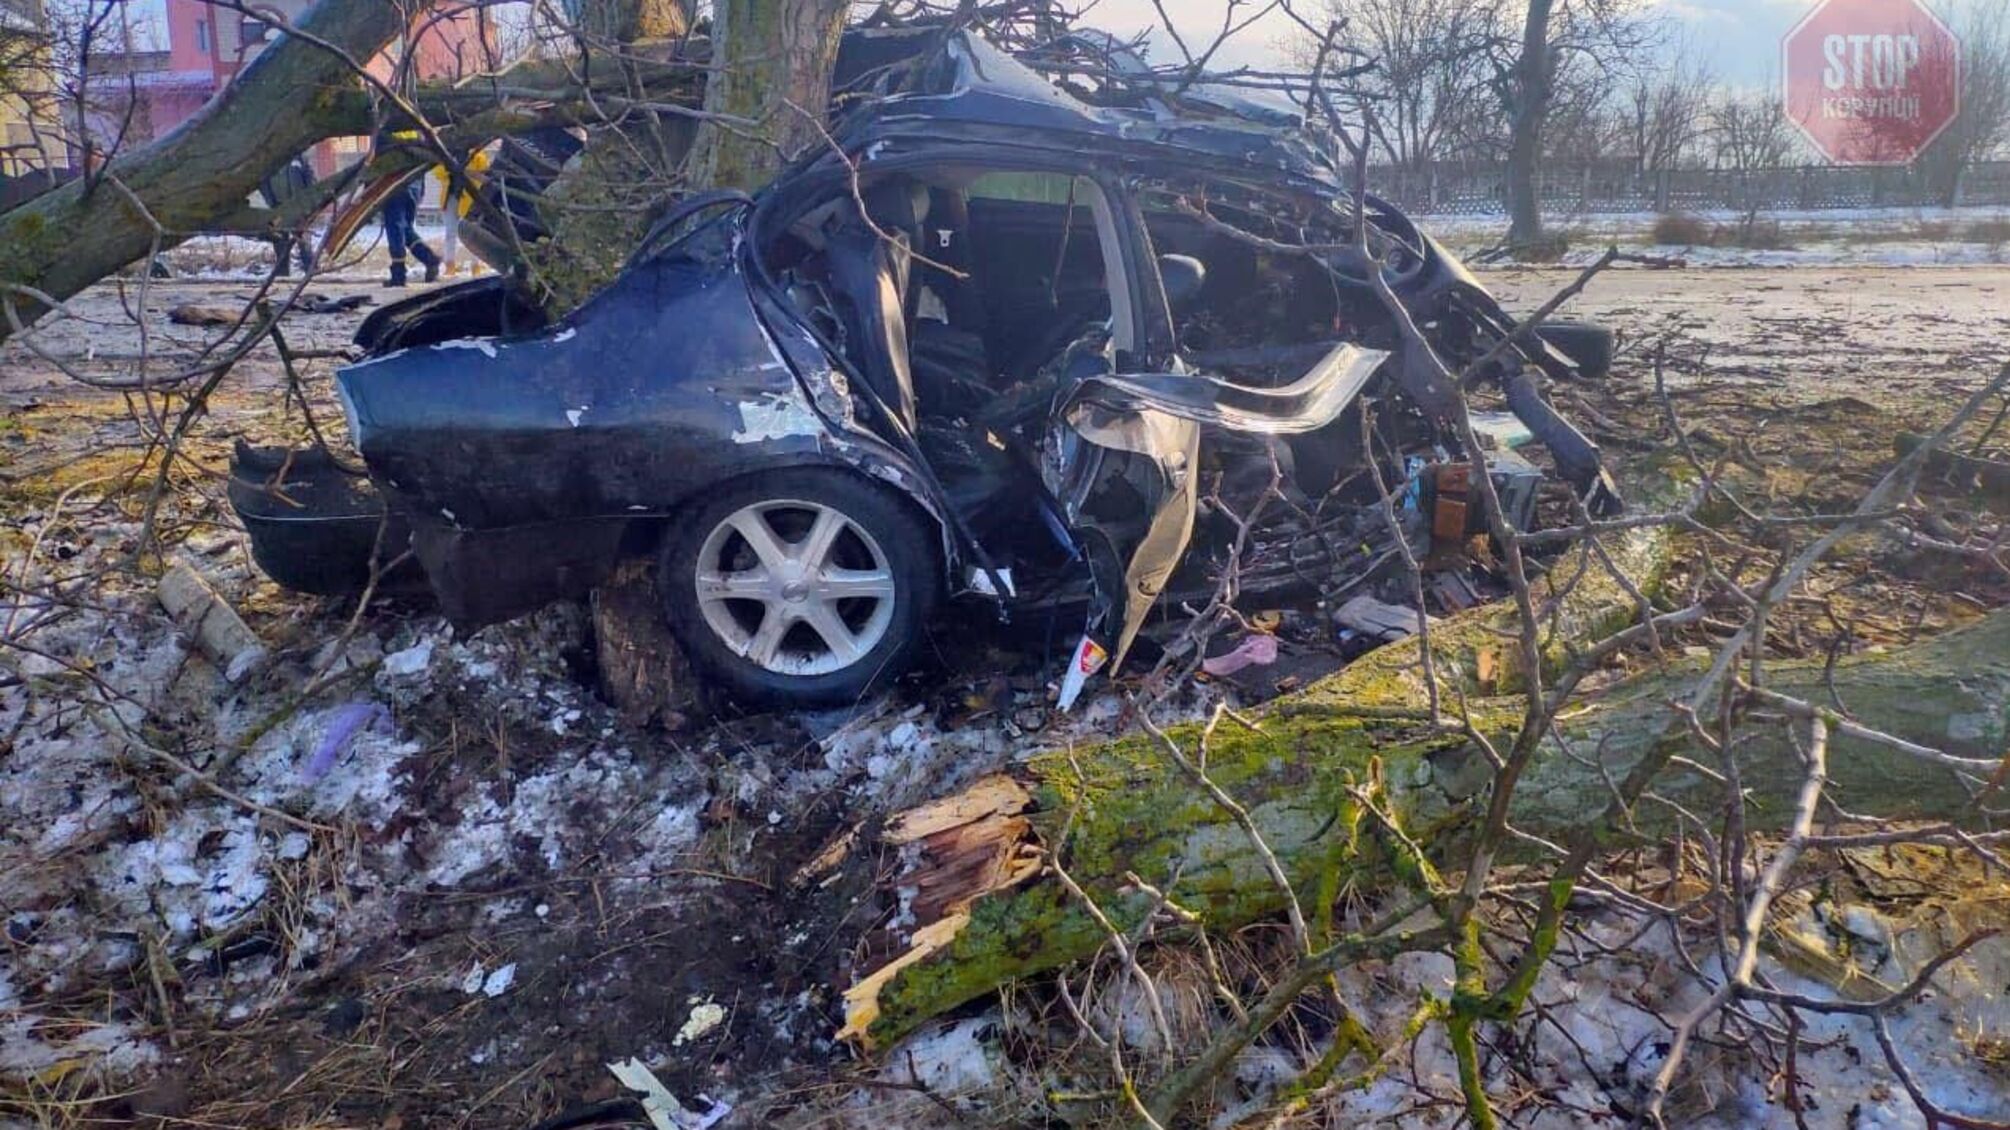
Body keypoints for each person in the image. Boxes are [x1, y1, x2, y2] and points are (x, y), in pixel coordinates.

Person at [431, 146, 492, 277]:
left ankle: (476, 265)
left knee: (474, 233)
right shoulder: (447, 153)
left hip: (470, 198)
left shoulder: (477, 153)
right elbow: (438, 172)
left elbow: (484, 169)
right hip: (451, 196)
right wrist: (451, 166)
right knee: (450, 233)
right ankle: (450, 265)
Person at [257, 156, 319, 278]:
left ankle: (312, 273)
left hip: (299, 208)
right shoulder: (270, 162)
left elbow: (311, 180)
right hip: (279, 210)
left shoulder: (299, 159)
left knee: (304, 241)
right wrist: (271, 203)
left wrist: (309, 203)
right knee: (279, 241)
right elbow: (263, 184)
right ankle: (282, 275)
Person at [380, 178, 441, 288]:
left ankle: (398, 274)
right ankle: (430, 259)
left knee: (396, 230)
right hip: (414, 186)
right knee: (406, 230)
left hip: (396, 186)